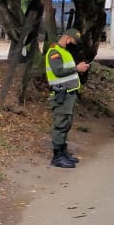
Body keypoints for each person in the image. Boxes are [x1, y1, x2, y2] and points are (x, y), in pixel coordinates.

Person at [45, 27, 90, 169]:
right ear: (67, 38)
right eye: (73, 41)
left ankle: (63, 152)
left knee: (66, 124)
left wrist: (79, 70)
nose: (74, 44)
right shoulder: (54, 52)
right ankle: (57, 157)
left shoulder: (64, 52)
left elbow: (67, 71)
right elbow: (58, 71)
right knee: (60, 125)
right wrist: (77, 68)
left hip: (68, 94)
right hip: (61, 95)